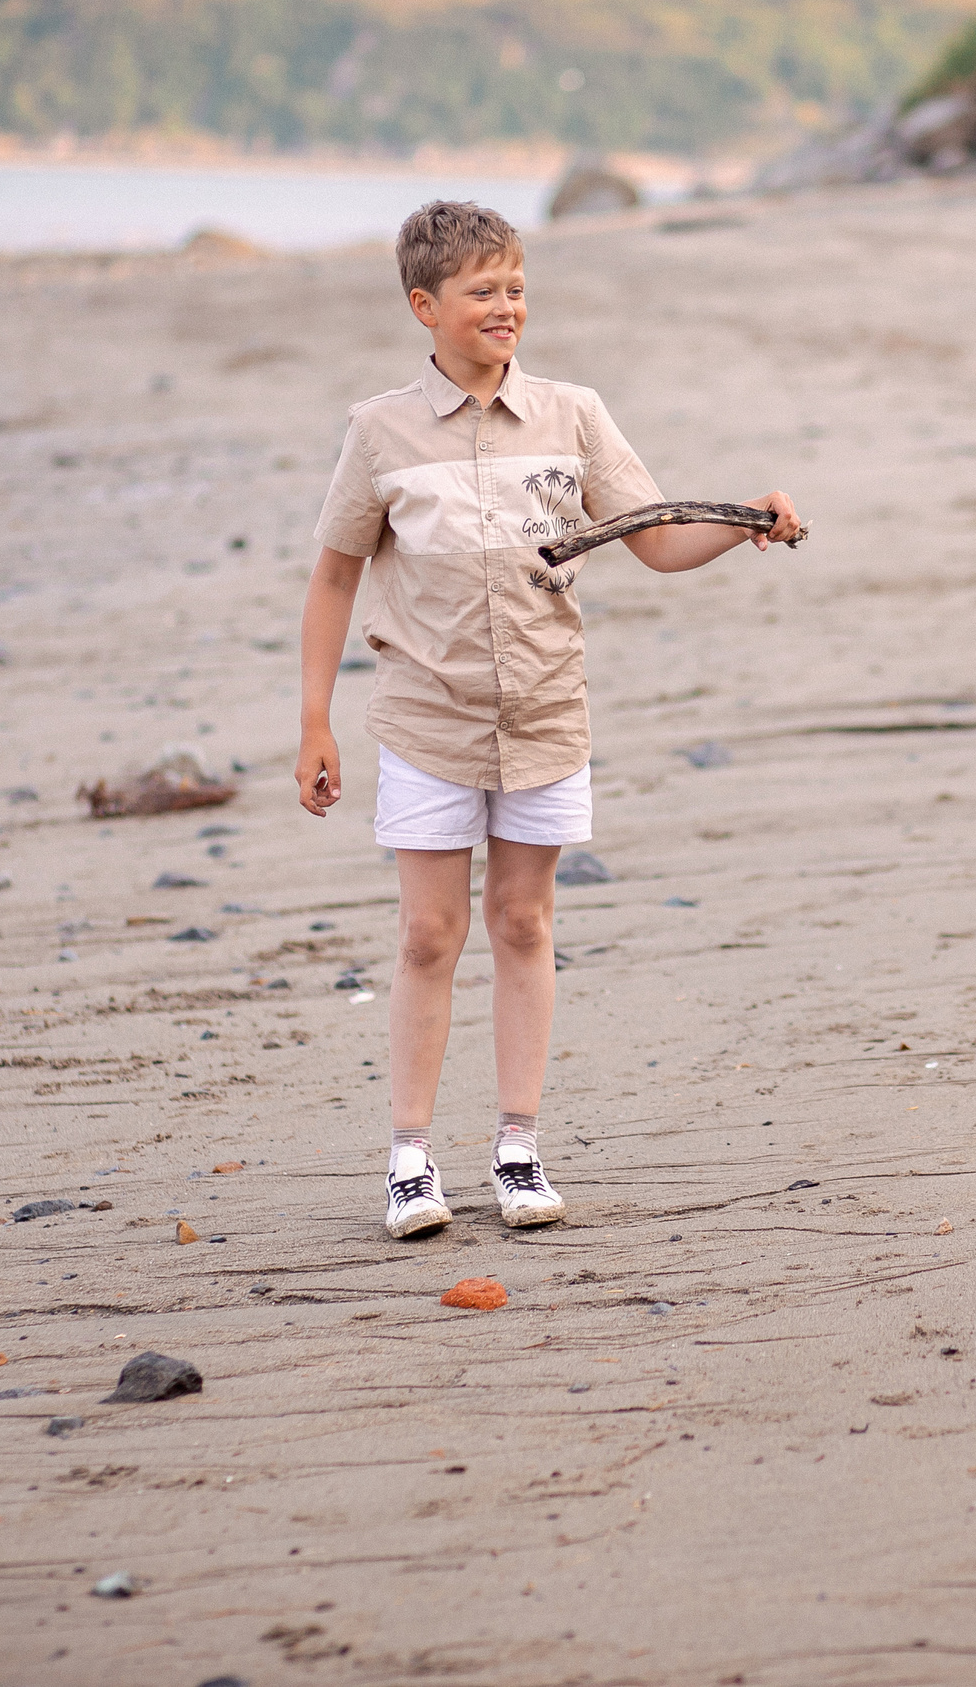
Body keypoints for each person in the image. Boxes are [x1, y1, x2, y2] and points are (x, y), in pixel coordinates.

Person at [297, 200, 803, 1239]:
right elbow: (334, 574)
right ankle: (409, 1161)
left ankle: (518, 1147)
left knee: (524, 923)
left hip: (543, 716)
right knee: (429, 933)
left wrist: (743, 523)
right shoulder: (379, 432)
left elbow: (654, 541)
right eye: (482, 291)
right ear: (423, 306)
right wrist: (315, 721)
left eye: (516, 287)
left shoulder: (572, 415)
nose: (506, 307)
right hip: (426, 722)